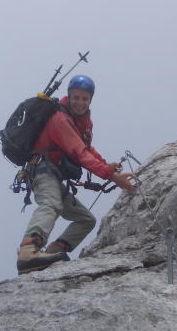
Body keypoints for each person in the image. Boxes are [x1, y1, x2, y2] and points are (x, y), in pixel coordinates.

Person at [17, 75, 136, 274]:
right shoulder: (60, 120)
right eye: (76, 97)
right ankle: (28, 252)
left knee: (86, 219)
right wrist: (112, 176)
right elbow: (80, 153)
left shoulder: (79, 122)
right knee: (51, 204)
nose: (80, 102)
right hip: (42, 171)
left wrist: (105, 165)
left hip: (53, 175)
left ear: (90, 100)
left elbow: (86, 148)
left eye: (85, 98)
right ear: (69, 97)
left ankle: (53, 253)